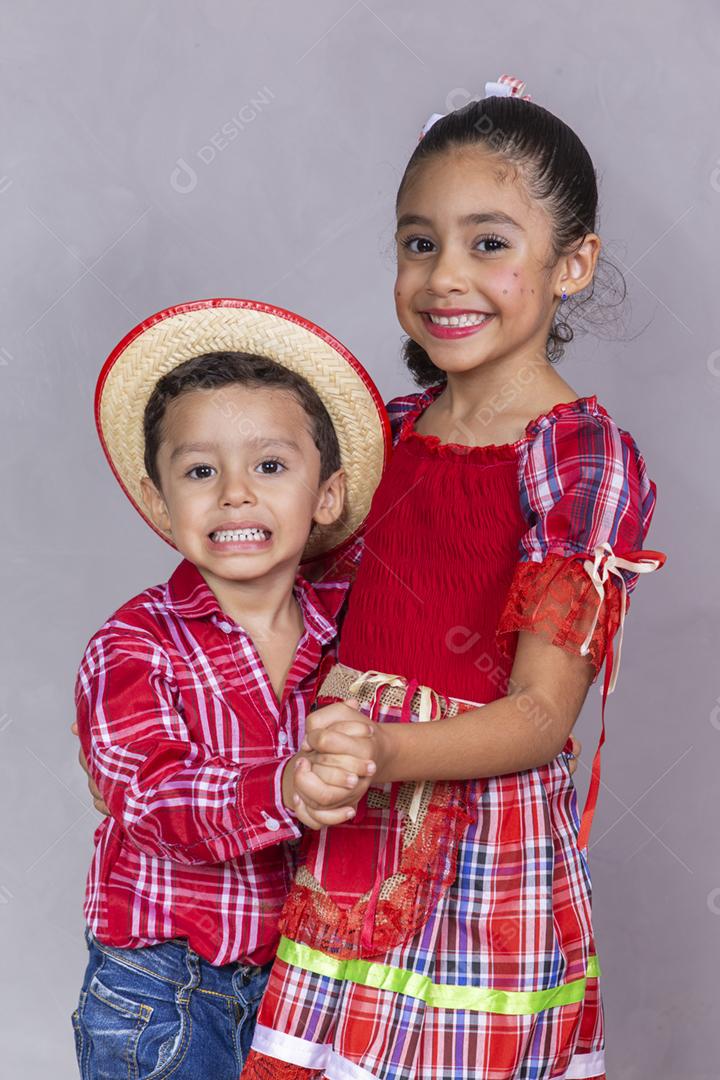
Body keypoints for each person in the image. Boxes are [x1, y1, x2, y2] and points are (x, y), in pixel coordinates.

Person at [240, 75, 666, 1080]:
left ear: (573, 265)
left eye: (489, 242)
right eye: (418, 241)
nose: (444, 275)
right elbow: (281, 614)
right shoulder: (372, 434)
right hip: (346, 835)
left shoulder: (580, 460)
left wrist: (383, 749)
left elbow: (541, 717)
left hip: (480, 864)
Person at [71, 299, 390, 1079]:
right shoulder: (134, 643)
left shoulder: (347, 634)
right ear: (158, 500)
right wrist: (282, 786)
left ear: (327, 496)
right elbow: (146, 796)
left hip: (299, 988)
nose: (236, 494)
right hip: (162, 989)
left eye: (271, 466)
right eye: (201, 470)